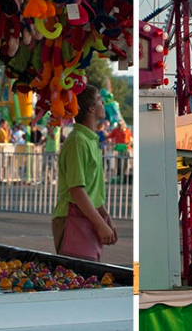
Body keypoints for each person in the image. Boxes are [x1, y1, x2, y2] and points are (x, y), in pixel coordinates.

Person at [52, 85, 118, 260]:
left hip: (84, 217)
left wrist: (105, 217)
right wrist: (100, 223)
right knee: (80, 279)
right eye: (99, 100)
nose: (103, 104)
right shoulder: (78, 141)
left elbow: (91, 189)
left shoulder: (89, 140)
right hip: (73, 219)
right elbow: (77, 190)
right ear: (91, 108)